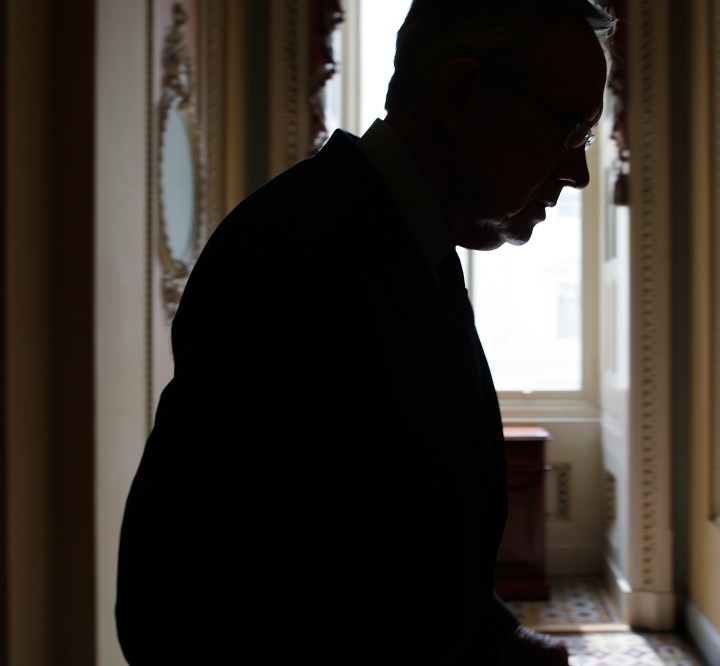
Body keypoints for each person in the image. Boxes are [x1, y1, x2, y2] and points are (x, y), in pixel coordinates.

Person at [115, 0, 616, 663]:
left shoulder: (407, 242)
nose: (578, 171)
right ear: (460, 93)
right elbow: (185, 599)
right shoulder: (296, 256)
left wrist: (490, 638)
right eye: (569, 129)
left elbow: (389, 536)